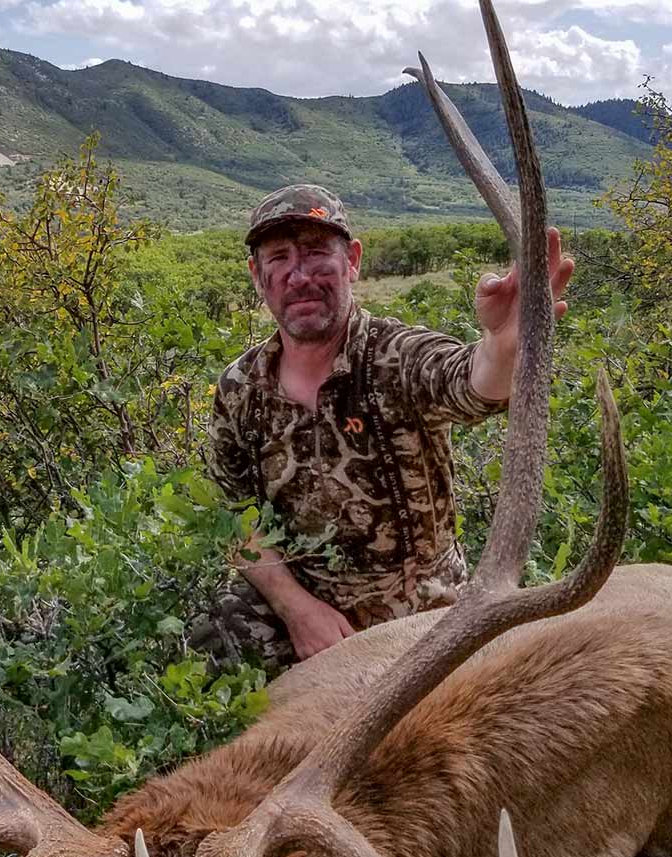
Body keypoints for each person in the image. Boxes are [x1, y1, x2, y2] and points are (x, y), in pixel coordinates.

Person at [198, 183, 573, 669]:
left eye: (316, 253)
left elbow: (473, 382)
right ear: (257, 274)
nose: (299, 274)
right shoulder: (239, 388)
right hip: (312, 606)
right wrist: (299, 610)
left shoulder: (398, 356)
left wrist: (502, 348)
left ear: (352, 260)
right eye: (279, 257)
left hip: (420, 611)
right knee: (211, 632)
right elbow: (235, 518)